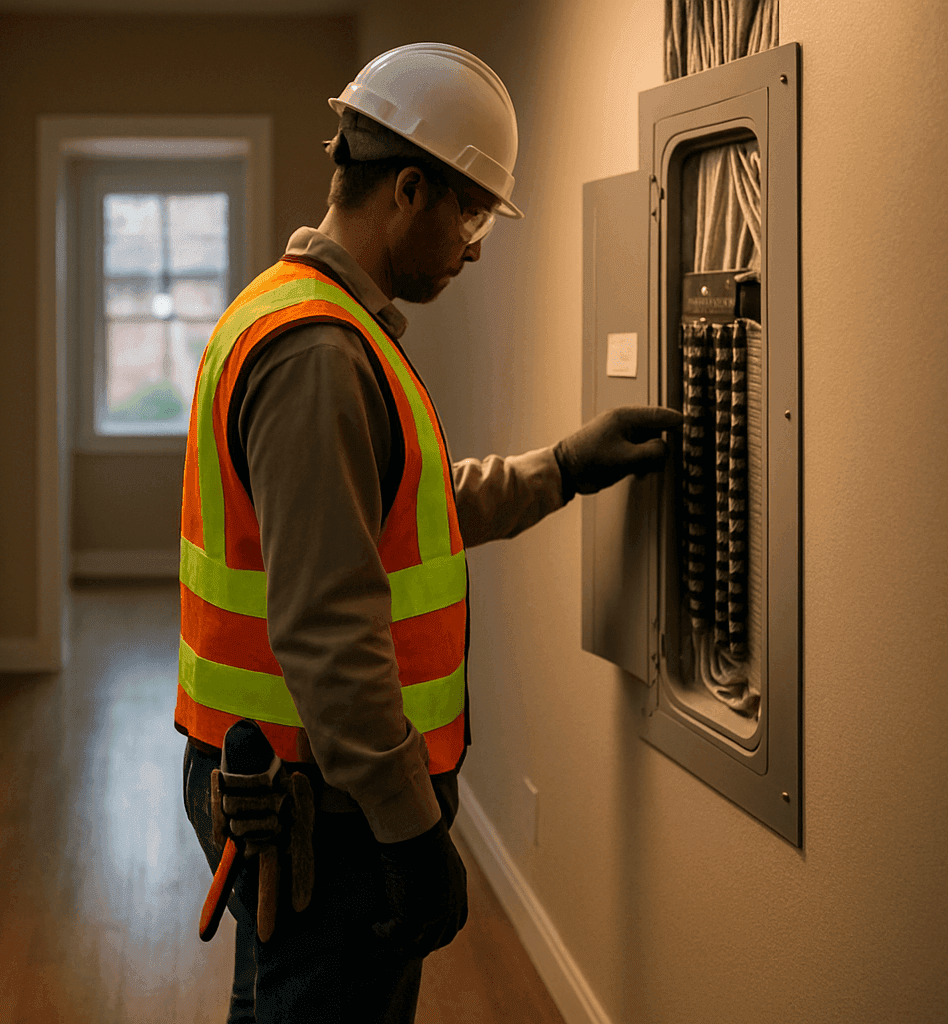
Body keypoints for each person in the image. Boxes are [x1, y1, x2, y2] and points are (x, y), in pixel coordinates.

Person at [176, 42, 681, 1023]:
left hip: (286, 779)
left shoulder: (286, 316)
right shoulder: (319, 354)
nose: (478, 243)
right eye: (475, 210)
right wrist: (411, 830)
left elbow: (400, 510)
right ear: (411, 189)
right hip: (326, 805)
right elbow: (329, 631)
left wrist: (564, 466)